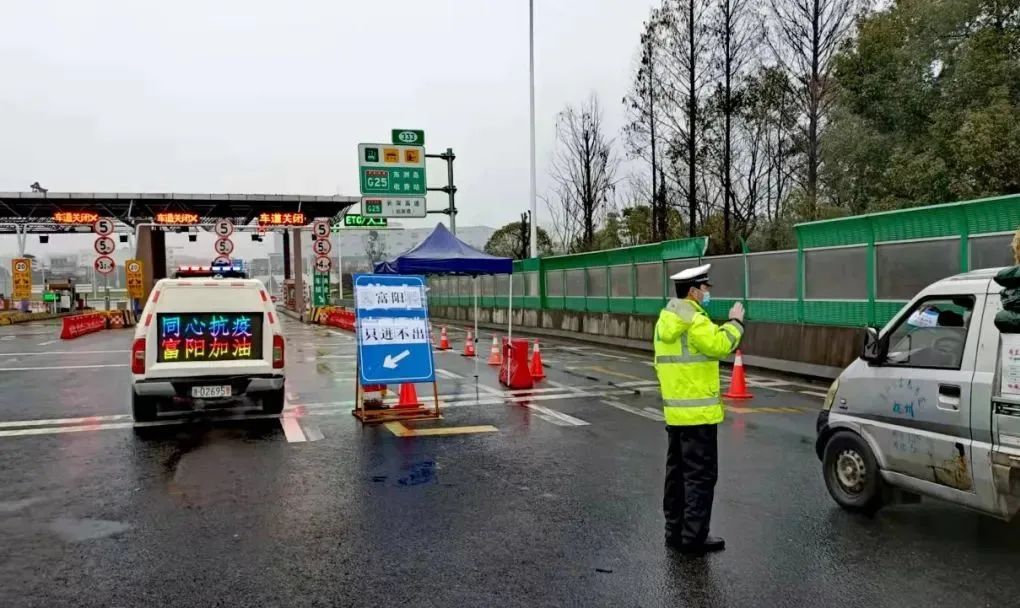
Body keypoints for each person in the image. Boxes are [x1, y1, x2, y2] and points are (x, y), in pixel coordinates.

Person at [654, 263, 745, 554]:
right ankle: (693, 537)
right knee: (700, 476)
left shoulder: (666, 319)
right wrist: (736, 323)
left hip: (676, 412)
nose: (708, 293)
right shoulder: (695, 320)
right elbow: (720, 345)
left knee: (677, 474)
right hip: (699, 414)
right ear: (693, 291)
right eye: (705, 289)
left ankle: (674, 530)